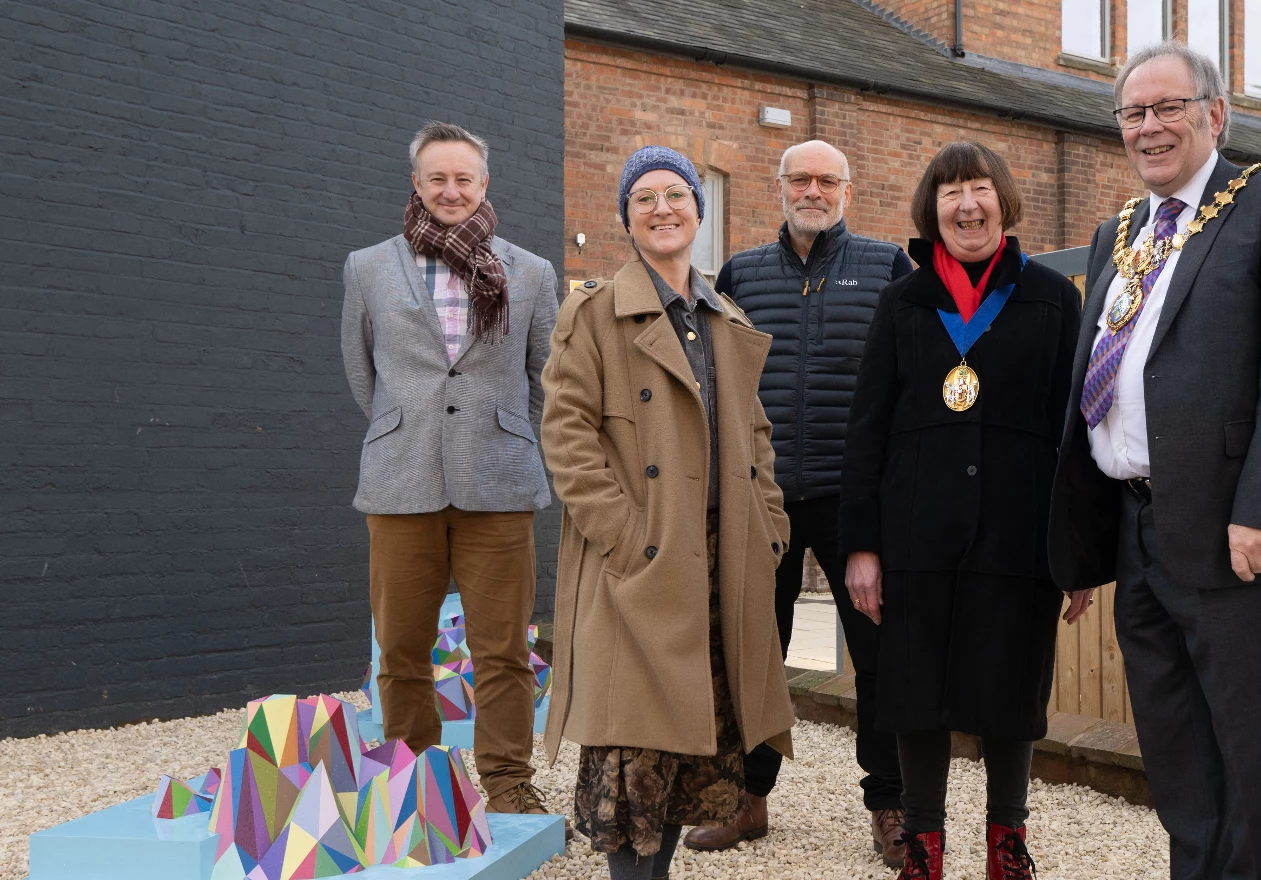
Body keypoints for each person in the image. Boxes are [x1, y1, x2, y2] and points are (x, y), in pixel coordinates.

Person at [1047, 42, 1261, 880]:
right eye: (1134, 113)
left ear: (1215, 113)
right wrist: (1085, 541)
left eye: (1169, 107)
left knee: (1257, 753)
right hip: (1136, 530)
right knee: (1175, 752)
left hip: (1235, 529)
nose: (1150, 127)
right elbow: (1109, 378)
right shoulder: (1117, 231)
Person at [539, 146, 796, 880]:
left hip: (721, 566)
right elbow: (566, 436)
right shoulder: (592, 313)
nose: (662, 208)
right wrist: (625, 538)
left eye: (676, 194)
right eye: (644, 197)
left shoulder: (725, 317)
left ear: (697, 212)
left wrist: (770, 528)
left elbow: (756, 436)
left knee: (688, 754)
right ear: (626, 217)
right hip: (643, 563)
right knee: (630, 760)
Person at [841, 141, 1095, 880]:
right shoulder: (903, 302)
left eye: (979, 188)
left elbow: (1076, 433)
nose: (966, 204)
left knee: (1012, 688)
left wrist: (1079, 549)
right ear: (933, 211)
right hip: (916, 533)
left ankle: (1005, 843)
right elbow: (866, 429)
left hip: (1019, 535)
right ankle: (924, 846)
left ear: (1003, 201)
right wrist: (862, 546)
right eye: (950, 191)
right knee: (915, 691)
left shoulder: (1053, 297)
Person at [697, 139, 914, 866]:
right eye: (801, 178)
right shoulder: (741, 275)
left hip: (857, 502)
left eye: (827, 180)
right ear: (779, 187)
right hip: (763, 499)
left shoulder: (887, 267)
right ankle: (746, 798)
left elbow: (911, 382)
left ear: (847, 192)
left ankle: (890, 806)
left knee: (878, 658)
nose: (813, 190)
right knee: (754, 653)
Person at [340, 121, 559, 815]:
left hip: (499, 480)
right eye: (437, 178)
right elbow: (362, 371)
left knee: (503, 650)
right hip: (400, 479)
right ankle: (415, 782)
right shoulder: (369, 267)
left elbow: (546, 375)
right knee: (401, 648)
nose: (451, 190)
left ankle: (506, 782)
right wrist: (407, 426)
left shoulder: (530, 272)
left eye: (464, 178)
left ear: (484, 184)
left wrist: (506, 431)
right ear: (416, 184)